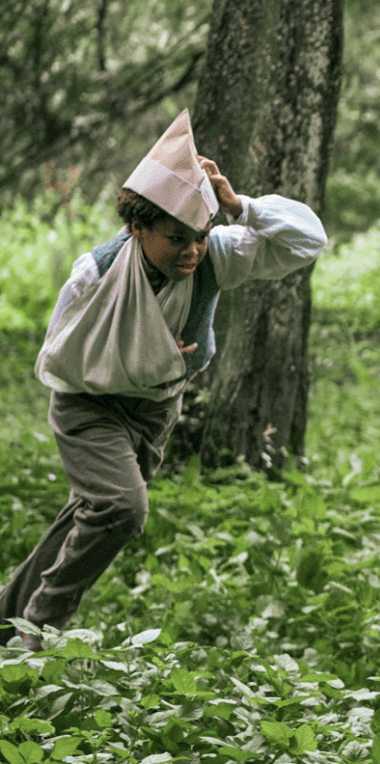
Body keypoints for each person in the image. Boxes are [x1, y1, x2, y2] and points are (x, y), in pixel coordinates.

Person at [1, 111, 328, 653]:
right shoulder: (97, 272)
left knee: (87, 514)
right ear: (139, 227)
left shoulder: (215, 258)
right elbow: (60, 359)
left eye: (198, 237)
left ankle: (7, 620)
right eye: (177, 238)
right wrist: (146, 353)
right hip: (89, 410)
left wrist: (237, 206)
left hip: (155, 413)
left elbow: (306, 242)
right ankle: (37, 631)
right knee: (121, 510)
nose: (192, 250)